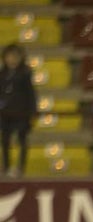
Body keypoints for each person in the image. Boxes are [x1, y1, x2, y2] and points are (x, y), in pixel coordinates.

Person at [0, 43, 36, 178]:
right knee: (5, 140)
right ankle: (6, 166)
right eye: (9, 56)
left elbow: (31, 94)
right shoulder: (2, 74)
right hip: (5, 114)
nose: (12, 59)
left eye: (15, 56)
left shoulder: (25, 74)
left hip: (21, 113)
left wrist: (32, 112)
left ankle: (21, 167)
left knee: (22, 140)